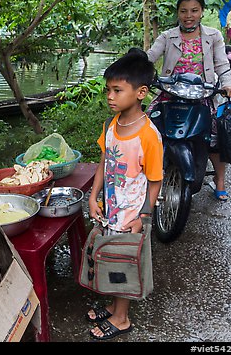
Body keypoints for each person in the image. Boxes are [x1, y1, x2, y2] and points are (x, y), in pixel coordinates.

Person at [86, 48, 163, 340]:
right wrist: (93, 197)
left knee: (124, 263)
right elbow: (104, 162)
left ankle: (121, 318)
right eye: (108, 90)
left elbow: (155, 180)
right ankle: (114, 304)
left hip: (132, 215)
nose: (110, 96)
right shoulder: (111, 125)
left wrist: (144, 216)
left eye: (117, 90)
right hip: (109, 210)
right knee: (111, 259)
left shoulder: (149, 136)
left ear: (141, 92)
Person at [146, 0, 231, 201]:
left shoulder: (213, 36)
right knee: (147, 125)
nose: (189, 15)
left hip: (202, 94)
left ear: (201, 12)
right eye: (184, 11)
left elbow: (222, 63)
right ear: (178, 13)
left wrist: (228, 84)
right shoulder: (167, 36)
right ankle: (144, 174)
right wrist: (136, 64)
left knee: (215, 135)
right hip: (171, 93)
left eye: (194, 10)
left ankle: (220, 181)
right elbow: (151, 56)